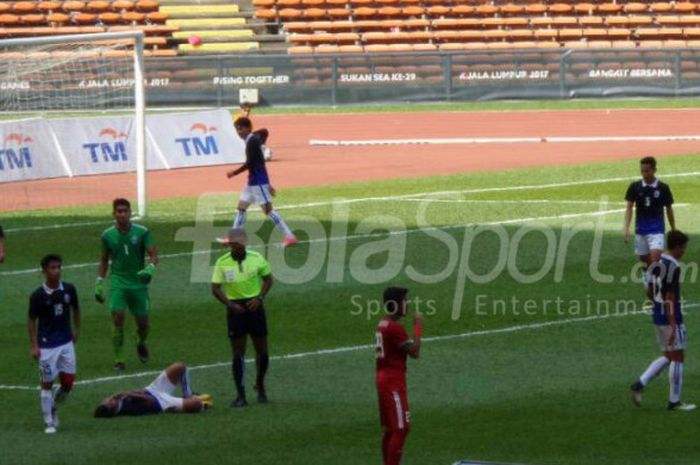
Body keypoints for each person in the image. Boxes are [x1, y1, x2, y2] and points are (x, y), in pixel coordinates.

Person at [630, 230, 695, 411]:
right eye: (683, 248)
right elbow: (670, 297)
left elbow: (649, 289)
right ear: (676, 247)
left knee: (668, 355)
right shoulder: (673, 267)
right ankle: (674, 401)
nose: (684, 252)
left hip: (658, 315)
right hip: (669, 316)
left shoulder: (655, 263)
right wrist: (674, 324)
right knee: (678, 357)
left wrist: (655, 306)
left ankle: (639, 384)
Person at [211, 228, 273, 407]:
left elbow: (268, 279)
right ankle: (241, 395)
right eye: (232, 243)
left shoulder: (257, 258)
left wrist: (260, 298)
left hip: (255, 308)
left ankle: (260, 384)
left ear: (244, 242)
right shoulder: (222, 262)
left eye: (238, 243)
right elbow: (215, 288)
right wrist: (230, 305)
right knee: (238, 354)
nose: (235, 247)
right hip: (235, 310)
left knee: (263, 352)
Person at [96, 198, 158, 371]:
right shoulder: (107, 235)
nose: (122, 214)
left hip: (138, 283)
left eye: (125, 211)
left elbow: (153, 254)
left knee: (143, 323)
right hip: (118, 283)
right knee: (118, 318)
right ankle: (119, 359)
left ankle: (141, 340)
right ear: (114, 214)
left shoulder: (142, 232)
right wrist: (99, 282)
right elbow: (103, 260)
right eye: (119, 211)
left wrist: (150, 268)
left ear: (130, 213)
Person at [28, 254, 81, 434]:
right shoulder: (37, 296)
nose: (56, 270)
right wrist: (34, 346)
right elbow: (31, 321)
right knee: (46, 383)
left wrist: (76, 329)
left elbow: (76, 309)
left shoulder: (69, 289)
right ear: (44, 271)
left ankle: (53, 404)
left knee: (68, 383)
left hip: (66, 342)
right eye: (52, 268)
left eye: (58, 267)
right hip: (47, 346)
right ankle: (49, 422)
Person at [227, 117, 297, 248]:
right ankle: (234, 237)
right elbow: (259, 161)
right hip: (253, 182)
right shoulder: (251, 140)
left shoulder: (251, 142)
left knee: (268, 211)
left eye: (240, 128)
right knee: (241, 208)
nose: (238, 132)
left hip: (258, 183)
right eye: (236, 129)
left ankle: (290, 236)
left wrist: (234, 173)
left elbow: (250, 163)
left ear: (248, 128)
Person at [375, 287, 423, 465]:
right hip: (392, 383)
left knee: (390, 429)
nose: (408, 303)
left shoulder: (383, 324)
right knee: (401, 428)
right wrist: (418, 327)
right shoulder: (395, 329)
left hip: (383, 379)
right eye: (405, 301)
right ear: (395, 305)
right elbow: (415, 352)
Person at [624, 156, 675, 291]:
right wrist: (626, 228)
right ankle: (651, 288)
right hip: (641, 230)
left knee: (654, 260)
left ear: (654, 170)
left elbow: (669, 209)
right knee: (645, 266)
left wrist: (673, 228)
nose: (644, 174)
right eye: (642, 171)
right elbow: (629, 207)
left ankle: (659, 289)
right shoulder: (635, 187)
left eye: (647, 171)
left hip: (657, 230)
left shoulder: (663, 188)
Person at [94, 362, 212, 417]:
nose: (108, 399)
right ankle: (202, 404)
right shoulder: (128, 409)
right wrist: (130, 394)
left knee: (180, 367)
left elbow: (142, 392)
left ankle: (188, 395)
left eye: (105, 400)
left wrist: (134, 392)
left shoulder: (117, 400)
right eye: (108, 402)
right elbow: (150, 400)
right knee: (196, 404)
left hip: (153, 388)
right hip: (161, 403)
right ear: (111, 409)